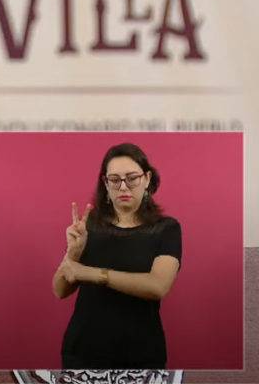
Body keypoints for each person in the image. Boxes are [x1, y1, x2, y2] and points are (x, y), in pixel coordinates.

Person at [52, 142, 182, 369]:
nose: (123, 187)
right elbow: (60, 290)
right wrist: (73, 253)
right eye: (114, 180)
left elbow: (157, 286)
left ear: (147, 179)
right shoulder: (89, 225)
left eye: (132, 178)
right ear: (105, 183)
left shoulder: (166, 228)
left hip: (142, 355)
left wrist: (91, 273)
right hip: (83, 353)